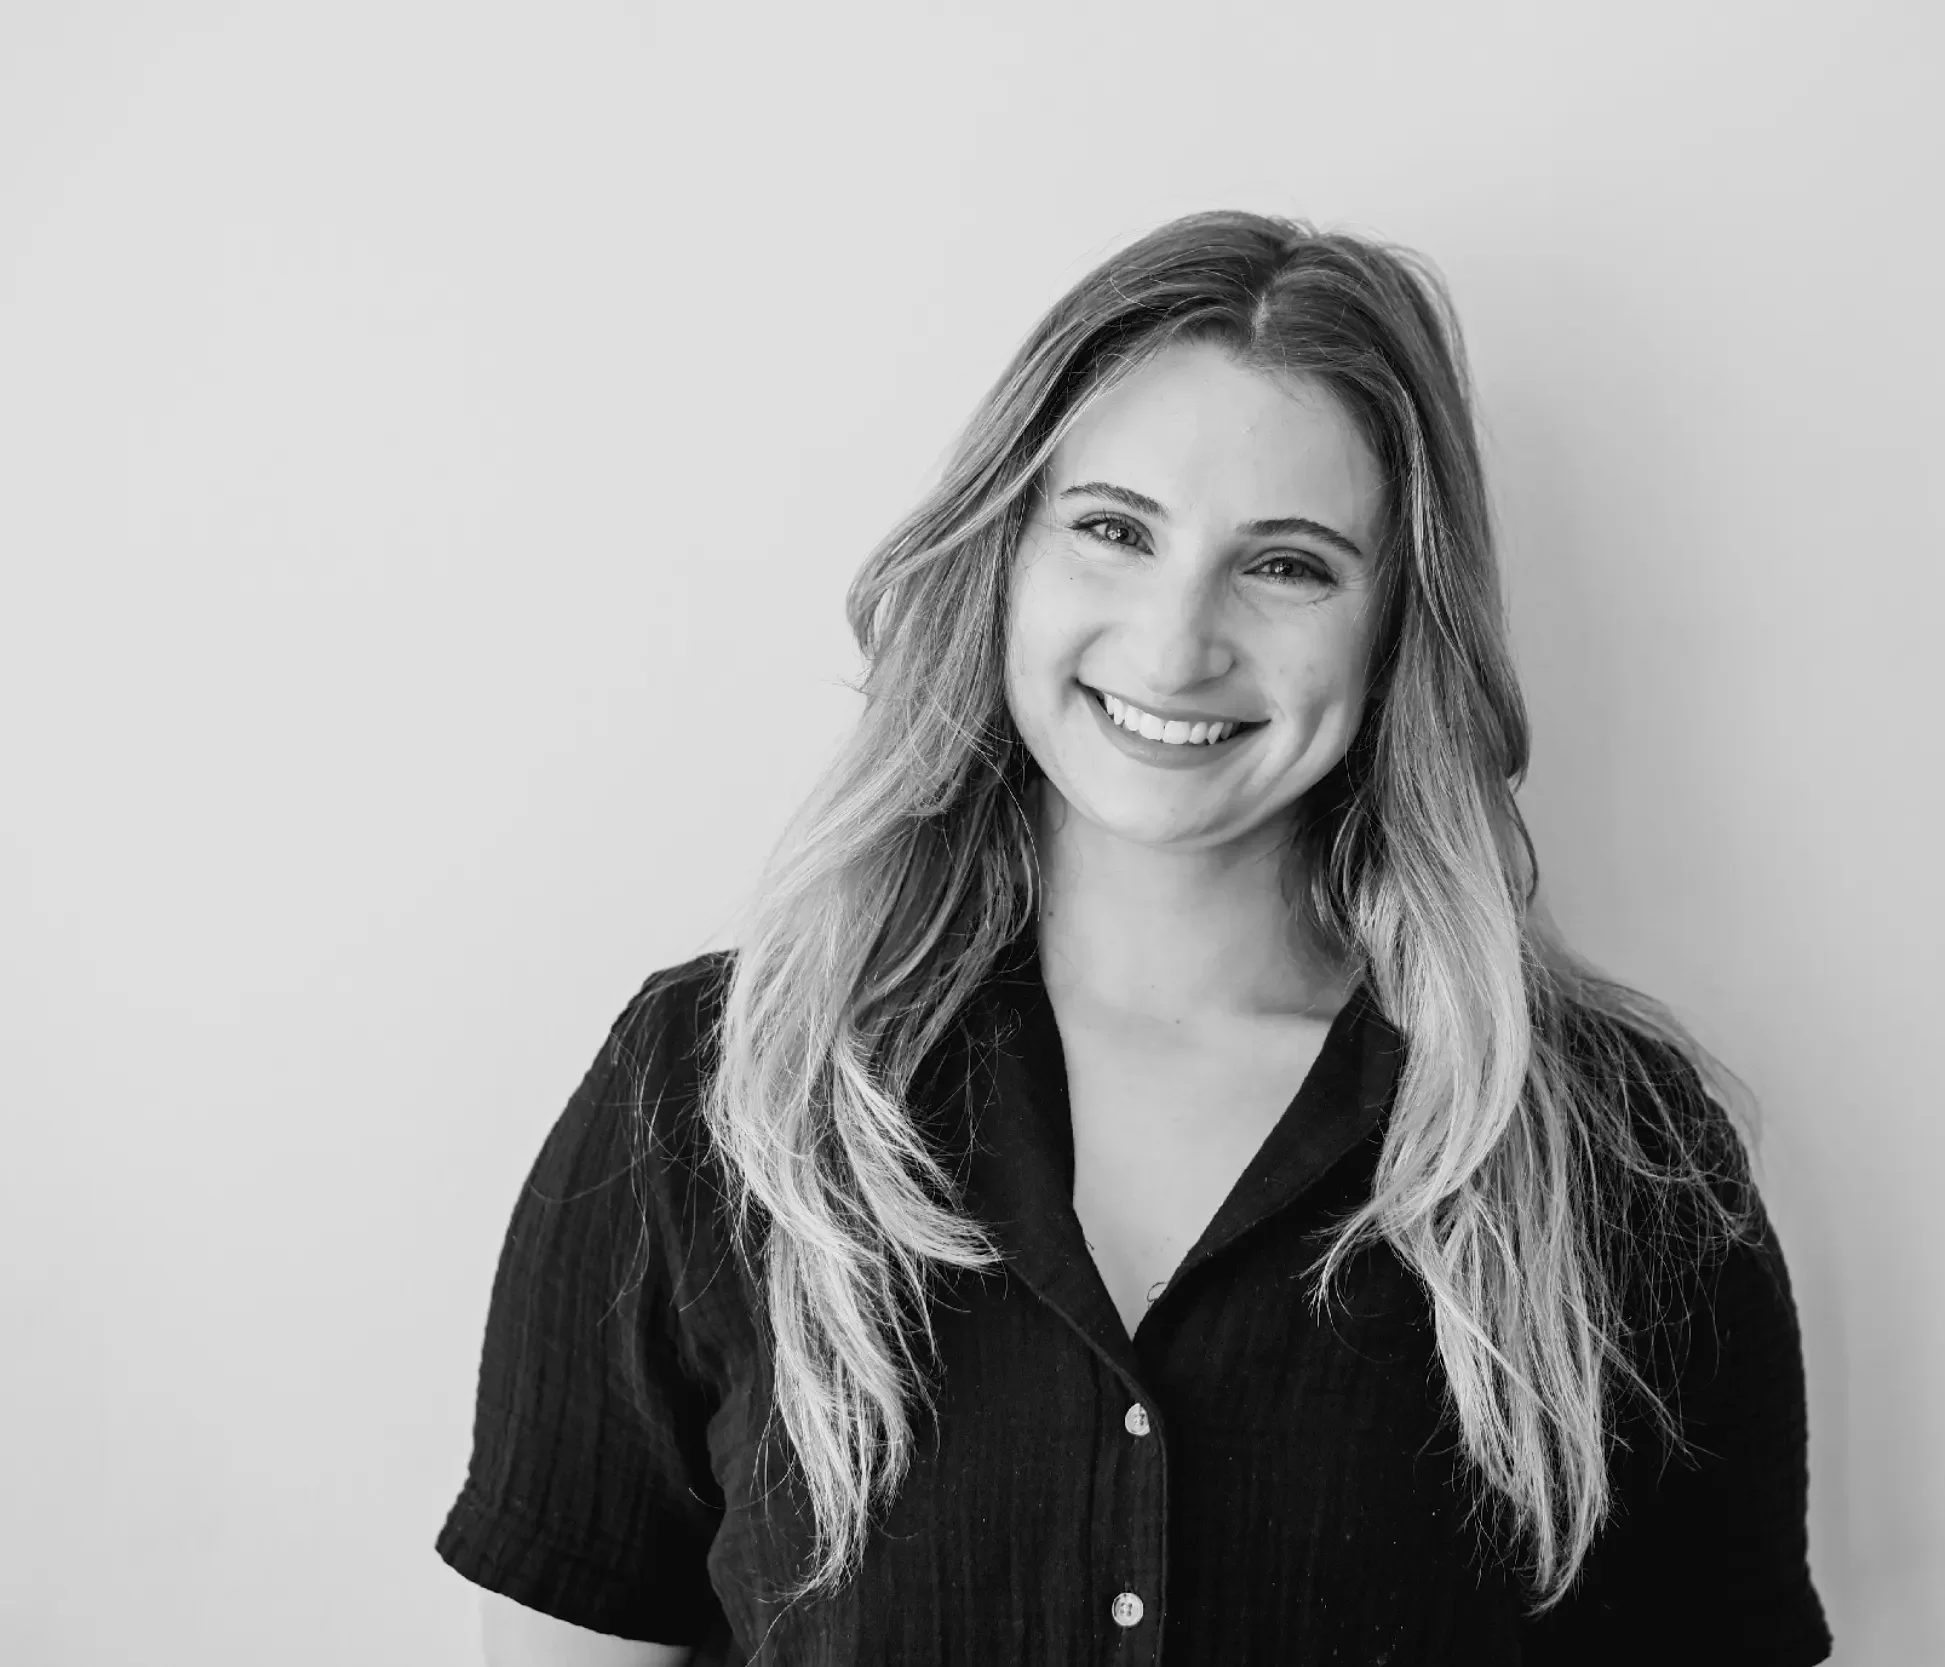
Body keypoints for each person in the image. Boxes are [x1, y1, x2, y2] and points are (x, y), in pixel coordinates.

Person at [437, 210, 1834, 1666]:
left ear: (1394, 627)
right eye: (1113, 529)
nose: (1178, 645)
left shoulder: (1618, 1156)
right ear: (1004, 556)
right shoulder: (712, 1096)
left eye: (1287, 565)